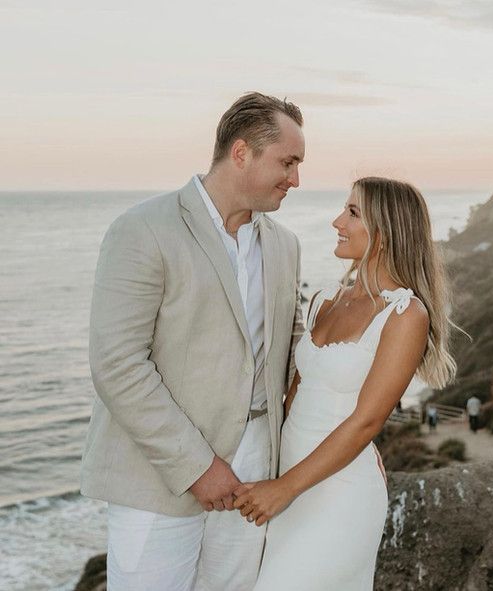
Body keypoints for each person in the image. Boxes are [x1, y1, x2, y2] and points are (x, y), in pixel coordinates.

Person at [80, 92, 305, 591]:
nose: (296, 179)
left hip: (254, 477)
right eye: (287, 163)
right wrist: (198, 467)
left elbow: (294, 354)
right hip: (158, 477)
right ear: (241, 152)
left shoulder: (285, 246)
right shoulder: (142, 230)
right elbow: (117, 365)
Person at [234, 177, 457, 590]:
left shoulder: (405, 314)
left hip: (339, 493)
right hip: (286, 482)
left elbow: (366, 423)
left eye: (352, 212)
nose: (337, 220)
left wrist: (284, 488)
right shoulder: (323, 301)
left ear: (385, 233)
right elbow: (292, 398)